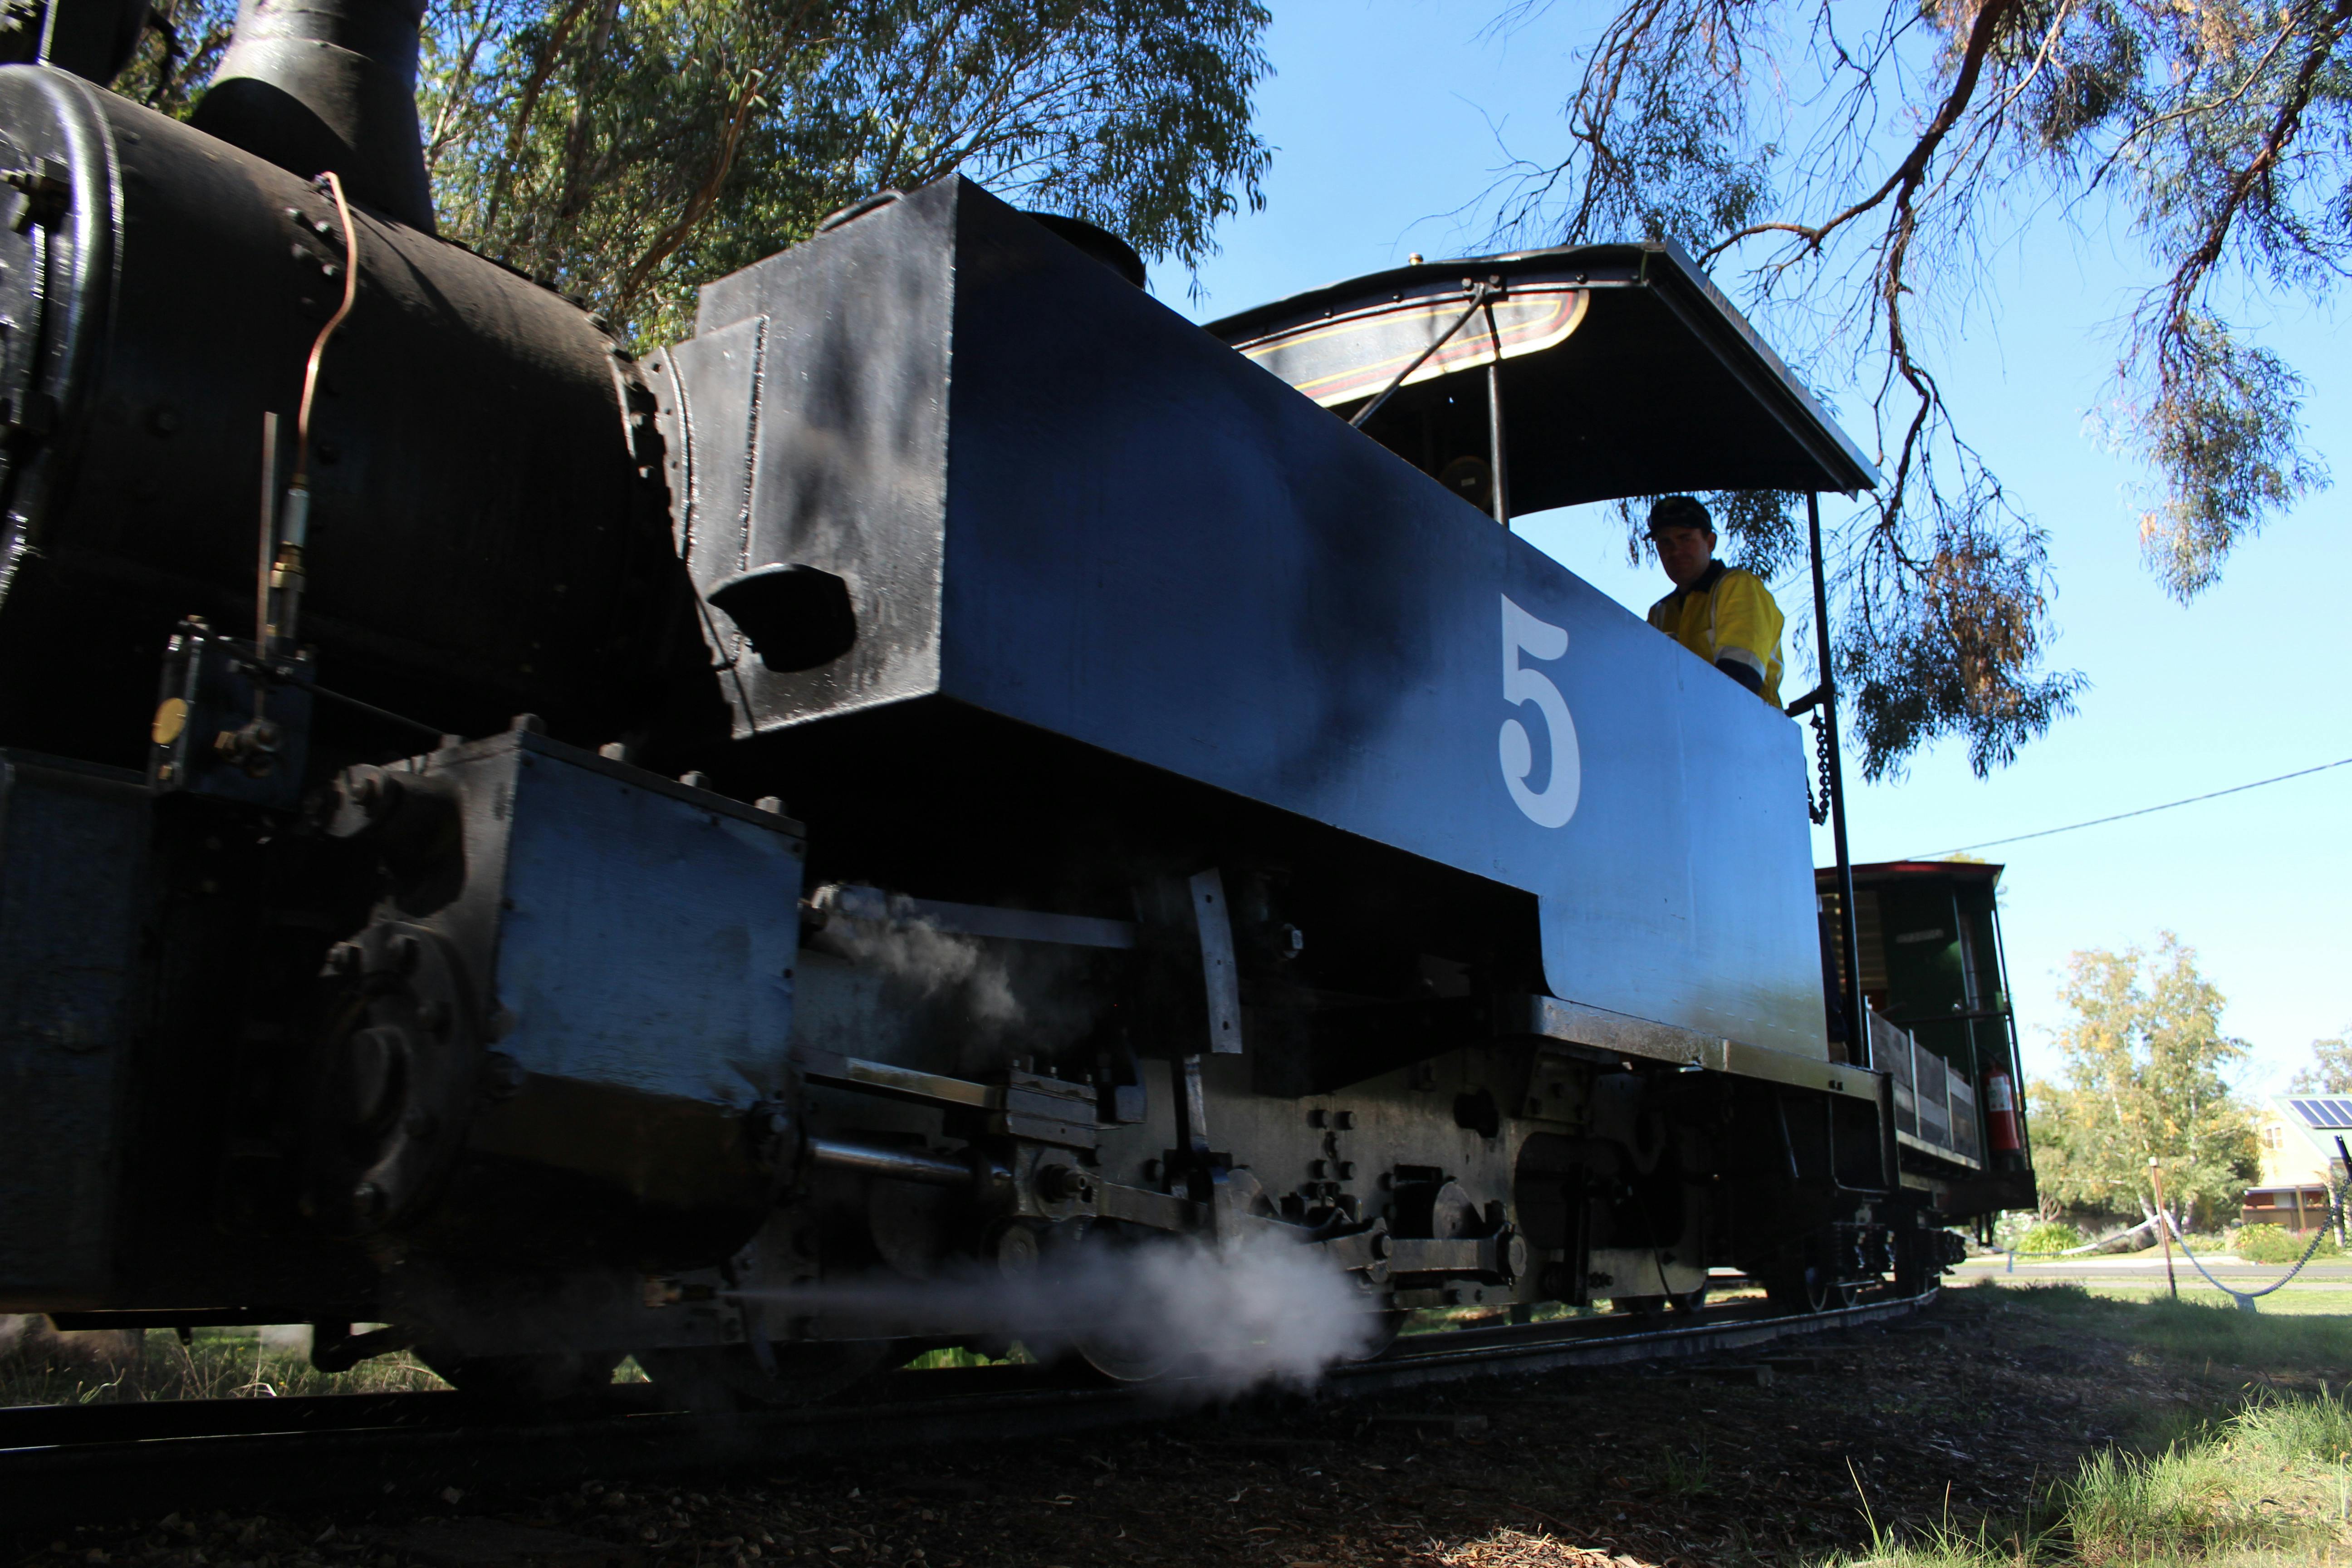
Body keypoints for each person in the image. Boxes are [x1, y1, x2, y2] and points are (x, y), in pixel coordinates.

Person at [1642, 495, 1784, 707]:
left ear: (1710, 542)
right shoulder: (1660, 612)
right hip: (1684, 731)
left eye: (1685, 538)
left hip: (1750, 730)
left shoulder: (1738, 586)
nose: (1675, 551)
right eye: (1665, 542)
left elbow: (1740, 681)